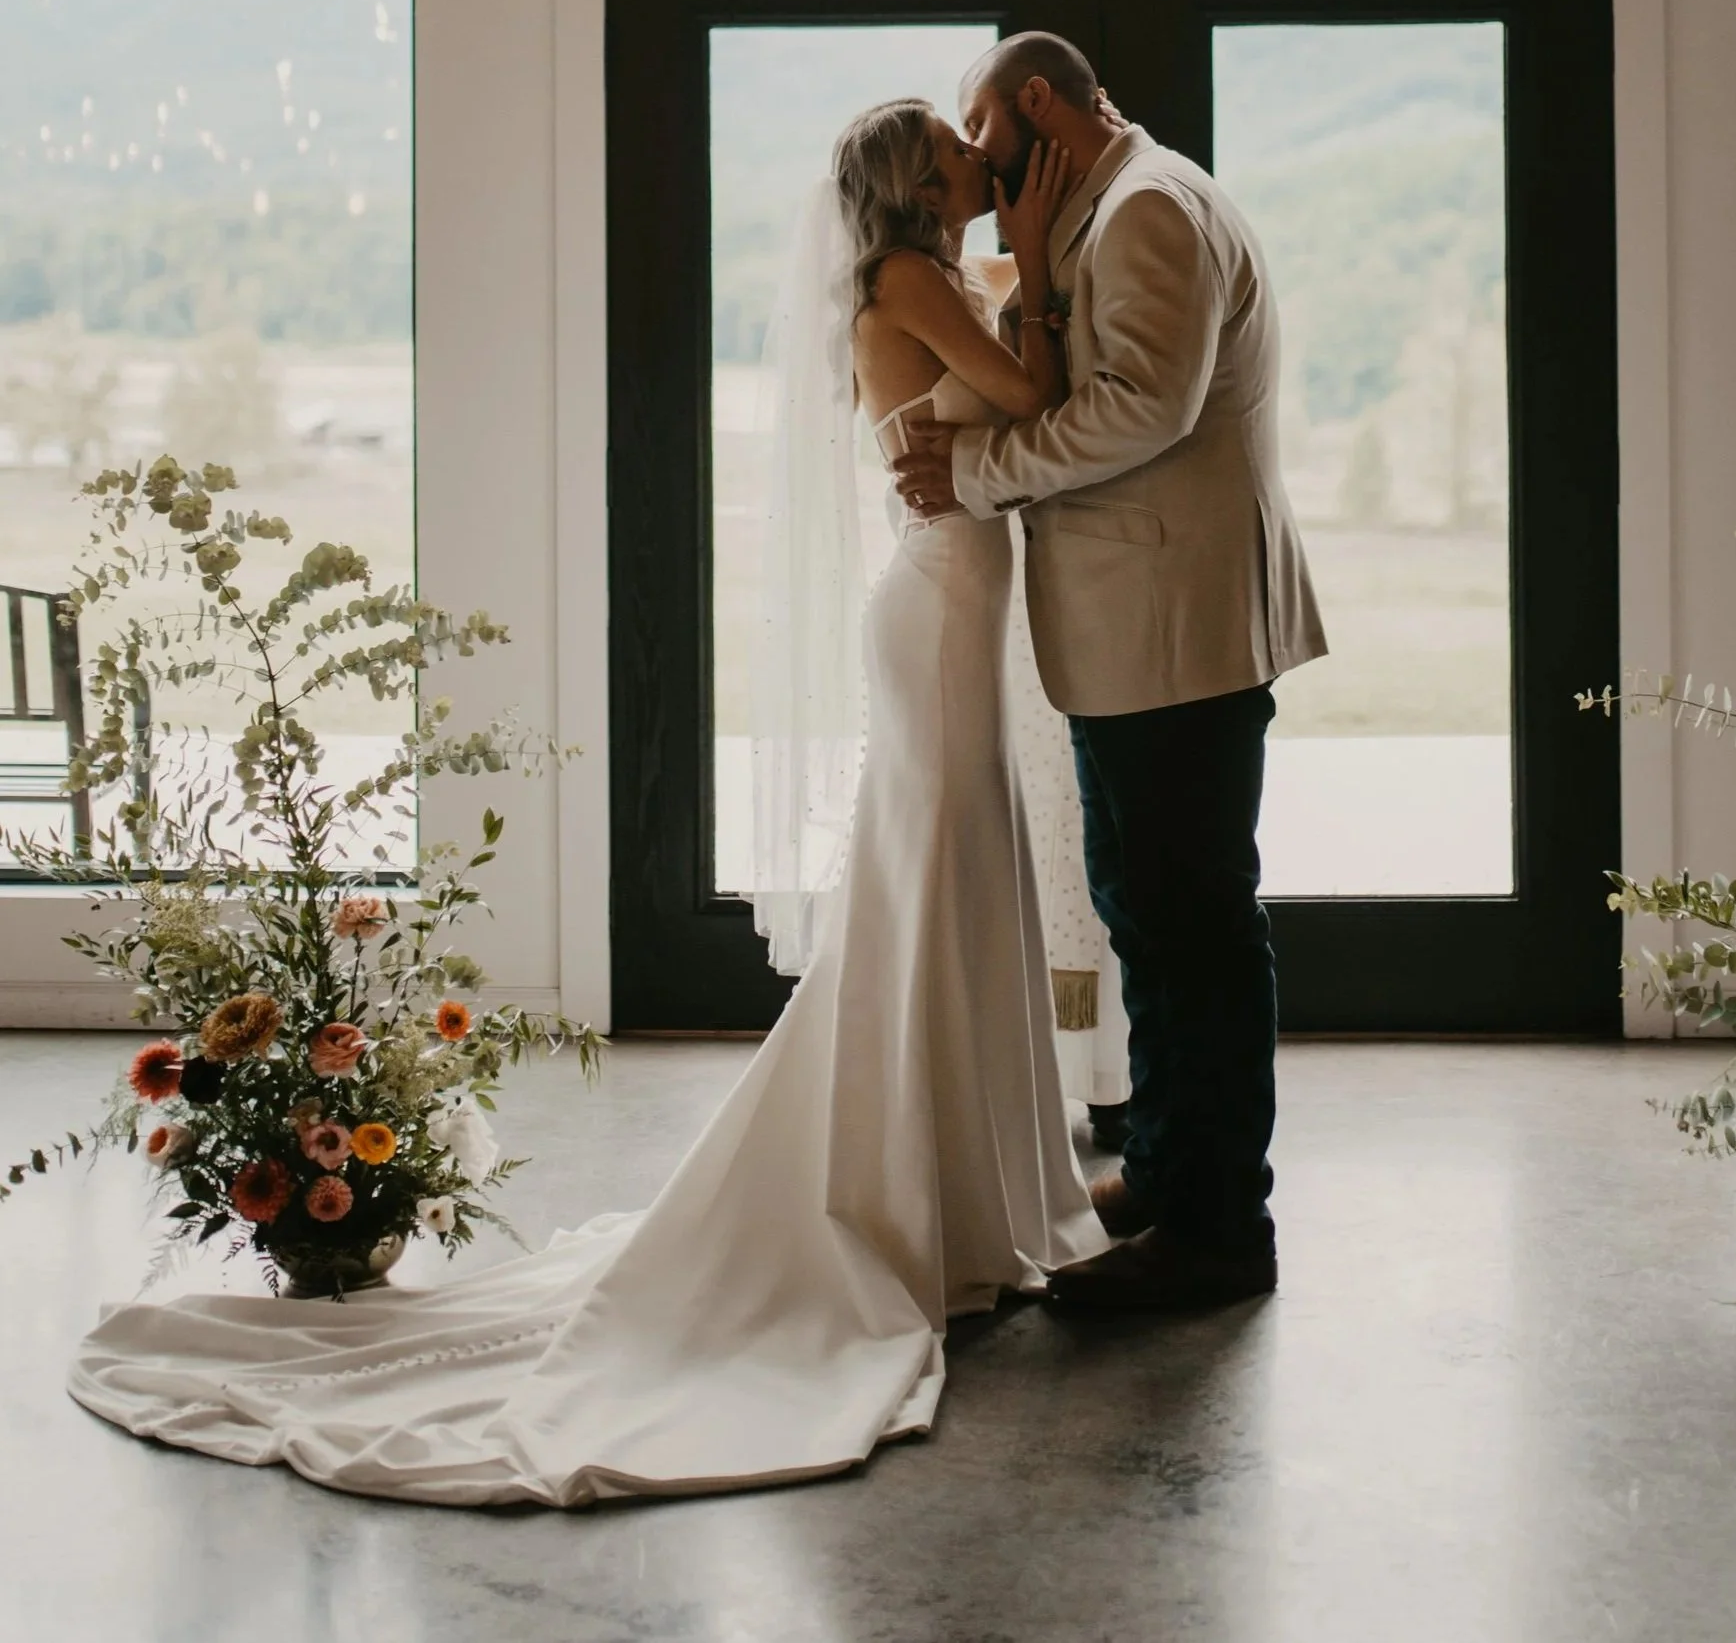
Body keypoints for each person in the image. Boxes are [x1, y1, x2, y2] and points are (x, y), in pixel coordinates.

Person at [68, 101, 1109, 1506]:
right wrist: (1035, 247)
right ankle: (910, 1203)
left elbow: (1021, 370)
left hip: (959, 607)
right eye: (952, 140)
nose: (976, 152)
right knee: (924, 889)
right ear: (918, 182)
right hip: (934, 612)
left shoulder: (940, 274)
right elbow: (1037, 397)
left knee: (951, 885)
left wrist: (1025, 247)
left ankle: (962, 1204)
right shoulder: (914, 280)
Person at [890, 31, 1327, 1313]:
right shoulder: (1104, 206)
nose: (975, 162)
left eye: (984, 132)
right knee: (1145, 907)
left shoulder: (1148, 211)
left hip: (1176, 625)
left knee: (1195, 922)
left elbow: (1143, 406)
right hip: (1134, 626)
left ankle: (1220, 1231)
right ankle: (1168, 1167)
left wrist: (971, 474)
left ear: (1039, 105)